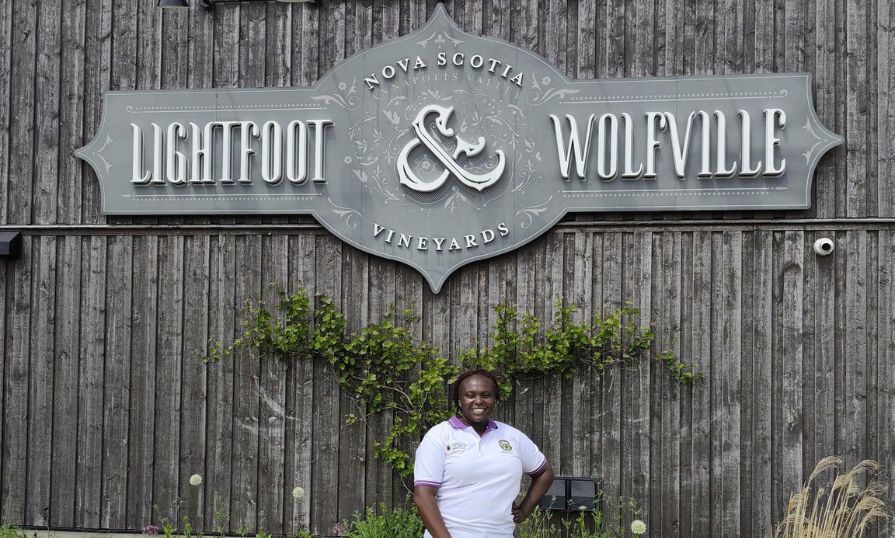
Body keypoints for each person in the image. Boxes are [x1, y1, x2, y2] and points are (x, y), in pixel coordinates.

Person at [413, 369, 555, 538]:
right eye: (470, 395)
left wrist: (525, 510)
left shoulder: (512, 436)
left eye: (486, 395)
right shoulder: (439, 436)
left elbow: (544, 473)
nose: (478, 401)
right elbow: (423, 496)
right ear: (459, 400)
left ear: (495, 399)